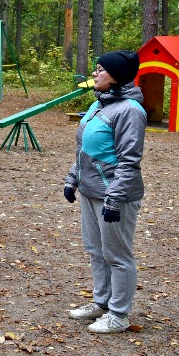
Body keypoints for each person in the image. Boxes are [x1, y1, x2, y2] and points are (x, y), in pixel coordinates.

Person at [63, 49, 147, 334]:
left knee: (117, 255)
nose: (95, 73)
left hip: (115, 196)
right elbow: (85, 149)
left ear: (117, 77)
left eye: (101, 69)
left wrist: (114, 198)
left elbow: (129, 161)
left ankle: (119, 314)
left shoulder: (130, 111)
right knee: (96, 250)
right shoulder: (99, 104)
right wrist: (72, 179)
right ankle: (102, 303)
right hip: (90, 191)